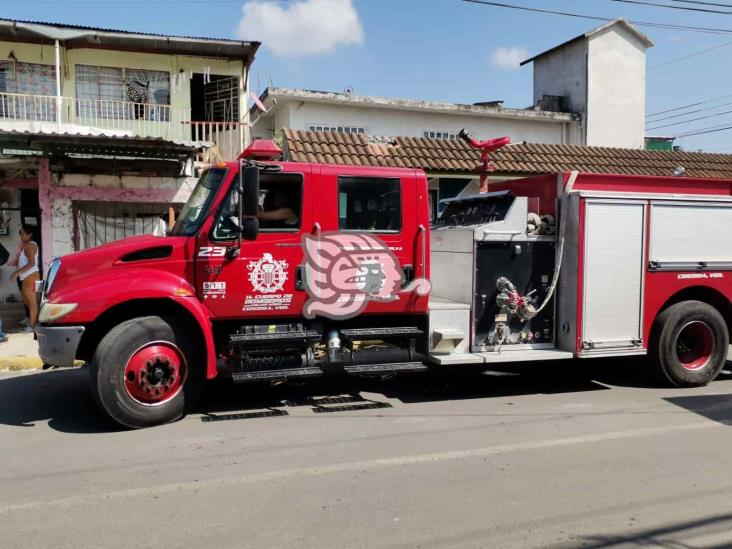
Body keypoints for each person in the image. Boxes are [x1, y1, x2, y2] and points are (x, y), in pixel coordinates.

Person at [9, 225, 40, 332]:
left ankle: (32, 326)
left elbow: (32, 263)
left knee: (31, 302)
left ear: (30, 234)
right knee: (28, 301)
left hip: (30, 276)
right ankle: (34, 322)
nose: (21, 236)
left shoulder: (30, 246)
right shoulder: (26, 245)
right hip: (27, 277)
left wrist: (16, 273)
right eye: (20, 233)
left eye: (23, 233)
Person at [7, 240, 30, 326]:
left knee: (28, 298)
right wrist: (10, 263)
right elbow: (16, 260)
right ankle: (28, 317)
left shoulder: (31, 247)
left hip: (27, 276)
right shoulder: (20, 245)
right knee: (25, 298)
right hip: (20, 276)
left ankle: (31, 318)